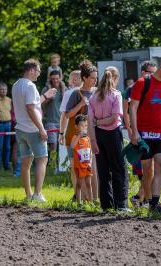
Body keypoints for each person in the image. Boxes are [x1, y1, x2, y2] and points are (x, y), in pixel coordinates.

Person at [129, 57, 161, 213]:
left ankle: (155, 203)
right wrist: (134, 131)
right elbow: (133, 108)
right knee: (147, 169)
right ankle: (149, 203)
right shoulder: (143, 83)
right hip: (144, 133)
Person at [12, 58, 56, 201]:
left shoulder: (16, 85)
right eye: (37, 70)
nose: (39, 73)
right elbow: (30, 108)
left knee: (26, 163)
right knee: (42, 159)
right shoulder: (30, 86)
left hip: (20, 129)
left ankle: (28, 195)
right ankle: (37, 194)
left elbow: (32, 104)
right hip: (32, 129)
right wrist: (41, 128)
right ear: (31, 70)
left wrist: (44, 96)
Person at [88, 66, 129, 211]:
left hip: (98, 136)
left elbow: (90, 122)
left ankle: (106, 205)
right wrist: (100, 122)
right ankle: (121, 204)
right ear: (115, 79)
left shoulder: (93, 96)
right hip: (113, 134)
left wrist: (92, 141)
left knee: (103, 171)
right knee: (119, 169)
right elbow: (114, 118)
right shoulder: (116, 95)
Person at [123, 61, 157, 207]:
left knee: (153, 168)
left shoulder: (156, 86)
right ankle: (141, 198)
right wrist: (130, 129)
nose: (153, 75)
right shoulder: (131, 89)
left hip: (154, 131)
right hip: (138, 132)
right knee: (143, 168)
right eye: (150, 72)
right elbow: (126, 112)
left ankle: (140, 197)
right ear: (143, 73)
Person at [65, 60, 98, 200]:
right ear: (84, 78)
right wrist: (81, 104)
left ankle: (93, 199)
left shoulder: (97, 92)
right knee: (79, 169)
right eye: (92, 78)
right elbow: (68, 114)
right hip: (76, 137)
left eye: (96, 78)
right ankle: (81, 199)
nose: (95, 81)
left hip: (91, 138)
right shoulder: (75, 93)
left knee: (91, 169)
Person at [58, 70, 81, 188]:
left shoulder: (68, 93)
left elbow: (64, 116)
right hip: (87, 134)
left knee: (73, 165)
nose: (67, 81)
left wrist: (61, 133)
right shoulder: (90, 92)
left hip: (72, 133)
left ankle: (77, 194)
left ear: (75, 80)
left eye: (69, 79)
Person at [41, 70, 65, 162]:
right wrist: (48, 99)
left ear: (60, 78)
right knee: (53, 144)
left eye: (57, 78)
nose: (55, 81)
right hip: (50, 120)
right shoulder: (46, 89)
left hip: (62, 121)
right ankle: (53, 165)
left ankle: (63, 165)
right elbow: (41, 104)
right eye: (53, 79)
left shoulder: (64, 89)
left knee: (63, 144)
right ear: (50, 79)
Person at [71, 114, 93, 203]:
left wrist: (90, 163)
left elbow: (90, 151)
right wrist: (79, 136)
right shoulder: (75, 137)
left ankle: (91, 202)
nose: (84, 128)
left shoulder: (87, 138)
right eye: (82, 125)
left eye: (86, 126)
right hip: (79, 166)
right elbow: (72, 146)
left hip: (87, 165)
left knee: (89, 184)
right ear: (76, 126)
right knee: (79, 184)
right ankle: (79, 202)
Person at [0, 82, 12, 171]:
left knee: (7, 147)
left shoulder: (9, 100)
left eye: (5, 89)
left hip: (8, 124)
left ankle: (6, 165)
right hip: (0, 124)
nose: (4, 91)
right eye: (2, 89)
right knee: (0, 147)